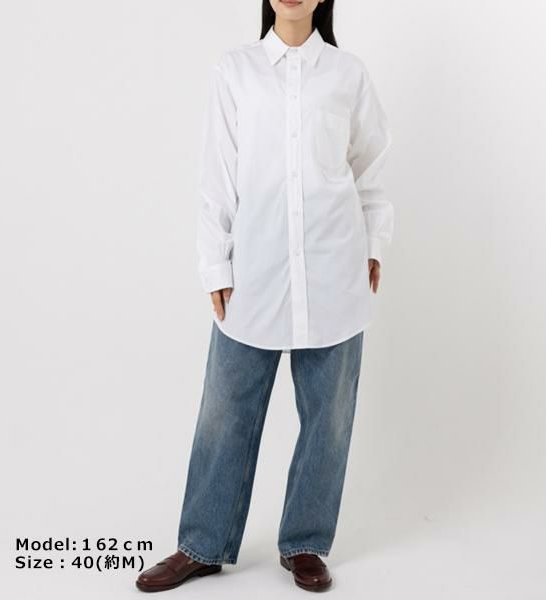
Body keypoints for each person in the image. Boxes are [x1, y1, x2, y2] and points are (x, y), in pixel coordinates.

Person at [136, 0, 392, 593]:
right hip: (255, 270)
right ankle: (202, 545)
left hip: (334, 268)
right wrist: (214, 263)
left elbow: (371, 166)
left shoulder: (348, 74)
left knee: (328, 420)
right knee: (225, 412)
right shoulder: (236, 70)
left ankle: (305, 543)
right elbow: (217, 174)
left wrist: (375, 242)